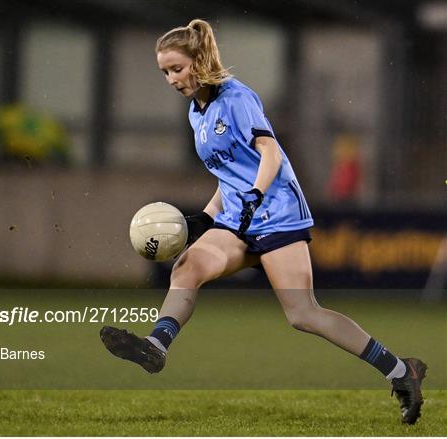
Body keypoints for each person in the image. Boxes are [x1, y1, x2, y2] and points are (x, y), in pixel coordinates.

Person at [100, 19, 427, 425]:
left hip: (277, 212)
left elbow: (269, 153)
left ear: (199, 61)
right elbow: (229, 174)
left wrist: (254, 196)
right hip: (238, 218)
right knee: (186, 268)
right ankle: (156, 347)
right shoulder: (195, 113)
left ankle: (402, 372)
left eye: (177, 69)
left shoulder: (237, 98)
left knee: (303, 314)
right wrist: (206, 216)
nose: (171, 78)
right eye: (164, 71)